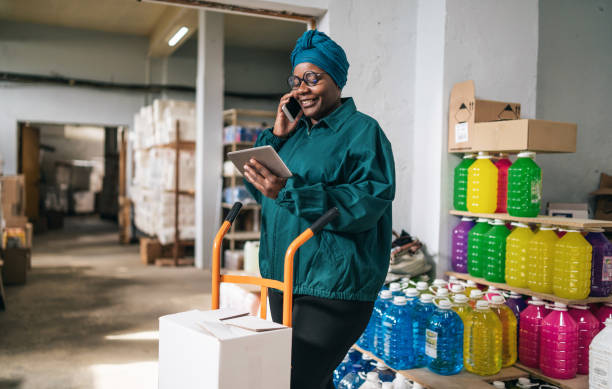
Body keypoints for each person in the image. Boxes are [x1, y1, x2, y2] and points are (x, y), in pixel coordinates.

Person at [243, 29, 395, 389]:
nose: (302, 88)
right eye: (296, 80)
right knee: (313, 381)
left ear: (337, 80)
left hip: (334, 285)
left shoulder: (363, 132)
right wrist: (277, 136)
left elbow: (365, 204)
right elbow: (264, 184)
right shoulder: (293, 134)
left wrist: (292, 192)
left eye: (313, 78)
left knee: (293, 380)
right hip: (285, 278)